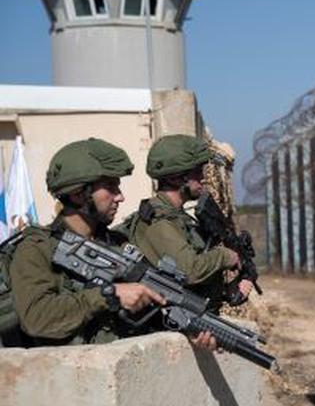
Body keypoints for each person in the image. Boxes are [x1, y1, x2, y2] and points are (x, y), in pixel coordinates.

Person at [8, 138, 215, 349]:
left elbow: (150, 309)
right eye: (110, 188)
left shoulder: (118, 245)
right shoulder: (37, 249)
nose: (121, 197)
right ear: (79, 194)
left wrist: (186, 330)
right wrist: (109, 295)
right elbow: (36, 319)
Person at [129, 134, 252, 308]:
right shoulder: (158, 220)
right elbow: (188, 270)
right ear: (175, 178)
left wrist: (227, 292)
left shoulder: (179, 218)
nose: (203, 177)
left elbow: (185, 285)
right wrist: (226, 256)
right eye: (197, 171)